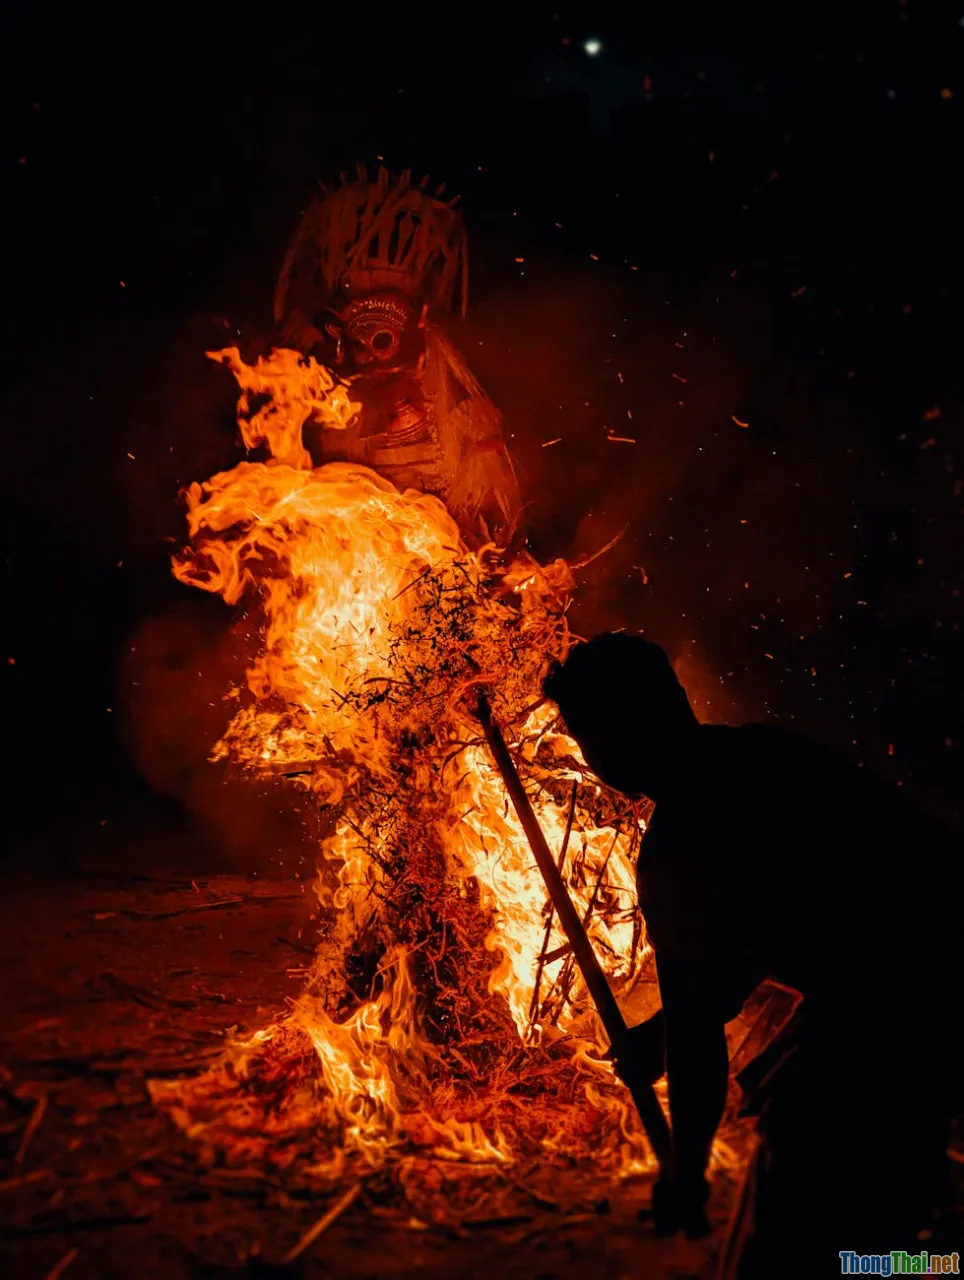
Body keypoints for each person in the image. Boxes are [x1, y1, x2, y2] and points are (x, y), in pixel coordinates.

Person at [543, 632, 958, 1275]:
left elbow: (698, 1038)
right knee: (885, 1223)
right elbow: (792, 912)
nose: (591, 757)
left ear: (613, 742)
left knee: (804, 1213)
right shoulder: (760, 753)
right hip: (913, 975)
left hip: (907, 1000)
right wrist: (667, 1029)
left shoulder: (679, 846)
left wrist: (686, 1173)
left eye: (589, 737)